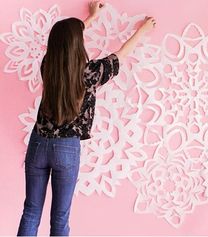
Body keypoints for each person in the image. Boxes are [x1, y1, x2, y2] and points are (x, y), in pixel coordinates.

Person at [17, 1, 156, 236]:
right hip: (67, 149)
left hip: (39, 142)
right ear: (77, 44)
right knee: (59, 219)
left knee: (31, 211)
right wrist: (142, 31)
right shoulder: (92, 73)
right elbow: (122, 53)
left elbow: (66, 40)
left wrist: (91, 19)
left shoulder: (47, 65)